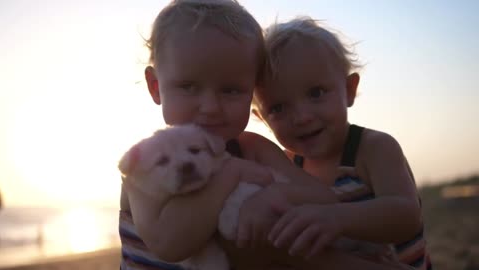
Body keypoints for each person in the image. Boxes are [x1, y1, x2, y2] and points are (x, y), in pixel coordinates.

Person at [119, 1, 410, 270]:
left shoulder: (252, 148)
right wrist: (229, 176)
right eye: (188, 86)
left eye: (231, 90)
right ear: (156, 87)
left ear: (252, 91)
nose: (210, 108)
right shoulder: (145, 163)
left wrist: (272, 195)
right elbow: (170, 244)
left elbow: (322, 197)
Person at [247, 16, 432, 270]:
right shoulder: (288, 167)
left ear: (349, 89)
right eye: (278, 108)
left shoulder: (373, 148)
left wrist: (336, 218)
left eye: (316, 93)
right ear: (261, 118)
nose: (302, 117)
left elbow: (406, 216)